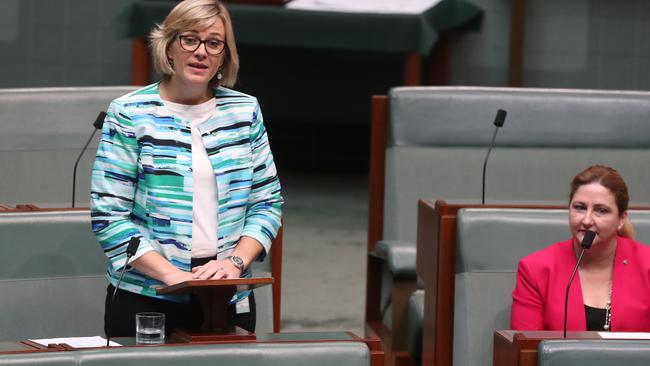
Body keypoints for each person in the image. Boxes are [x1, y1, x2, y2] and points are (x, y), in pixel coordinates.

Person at [90, 0, 283, 337]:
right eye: (189, 39)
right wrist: (171, 275)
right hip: (148, 295)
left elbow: (267, 204)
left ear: (224, 55)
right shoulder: (131, 113)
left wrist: (235, 263)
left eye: (213, 43)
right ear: (169, 47)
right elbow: (109, 214)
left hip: (226, 291)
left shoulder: (244, 111)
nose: (201, 52)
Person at [510, 165, 650, 331]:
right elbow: (525, 350)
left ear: (621, 219)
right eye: (580, 207)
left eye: (601, 210)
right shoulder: (536, 269)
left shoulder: (646, 264)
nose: (587, 220)